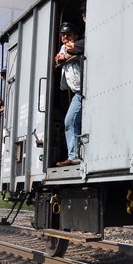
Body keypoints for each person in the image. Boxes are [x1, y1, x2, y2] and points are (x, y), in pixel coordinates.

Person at [54, 22, 83, 166]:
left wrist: (66, 55)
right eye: (62, 34)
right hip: (77, 91)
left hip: (83, 90)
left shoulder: (78, 45)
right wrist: (61, 56)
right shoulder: (63, 48)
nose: (65, 37)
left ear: (75, 35)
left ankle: (74, 156)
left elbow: (74, 52)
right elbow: (59, 57)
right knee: (72, 122)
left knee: (70, 121)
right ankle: (75, 155)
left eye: (68, 34)